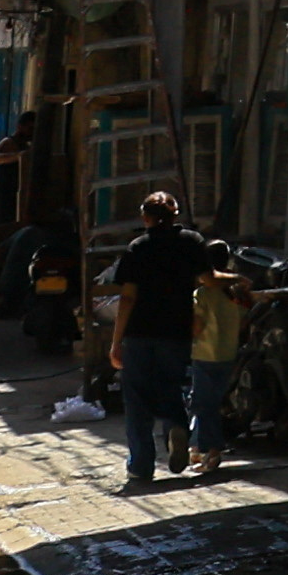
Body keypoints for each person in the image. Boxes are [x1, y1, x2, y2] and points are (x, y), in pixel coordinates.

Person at [106, 194, 216, 492]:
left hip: (140, 332)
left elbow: (127, 297)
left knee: (137, 397)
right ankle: (176, 425)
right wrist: (236, 280)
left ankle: (141, 466)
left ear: (145, 218)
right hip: (176, 331)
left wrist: (116, 341)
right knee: (171, 385)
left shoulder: (138, 249)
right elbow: (209, 279)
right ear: (176, 213)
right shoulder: (191, 242)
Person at [187, 243, 257, 468]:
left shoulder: (202, 294)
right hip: (228, 354)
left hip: (205, 354)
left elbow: (196, 328)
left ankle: (213, 451)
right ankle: (200, 448)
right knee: (213, 403)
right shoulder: (234, 294)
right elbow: (244, 321)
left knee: (203, 405)